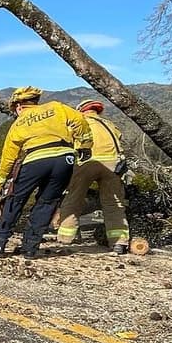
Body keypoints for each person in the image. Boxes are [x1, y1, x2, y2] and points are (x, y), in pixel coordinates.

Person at [0, 86, 92, 261]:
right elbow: (80, 120)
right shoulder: (56, 107)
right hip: (65, 158)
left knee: (16, 199)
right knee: (47, 203)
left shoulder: (18, 123)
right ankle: (30, 248)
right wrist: (85, 144)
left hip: (35, 159)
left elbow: (9, 157)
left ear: (18, 106)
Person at [56, 98, 131, 254]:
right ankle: (119, 243)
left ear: (80, 111)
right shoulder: (110, 125)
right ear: (98, 111)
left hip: (85, 162)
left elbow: (66, 141)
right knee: (114, 204)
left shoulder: (78, 123)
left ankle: (65, 239)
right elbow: (119, 139)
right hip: (113, 166)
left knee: (73, 200)